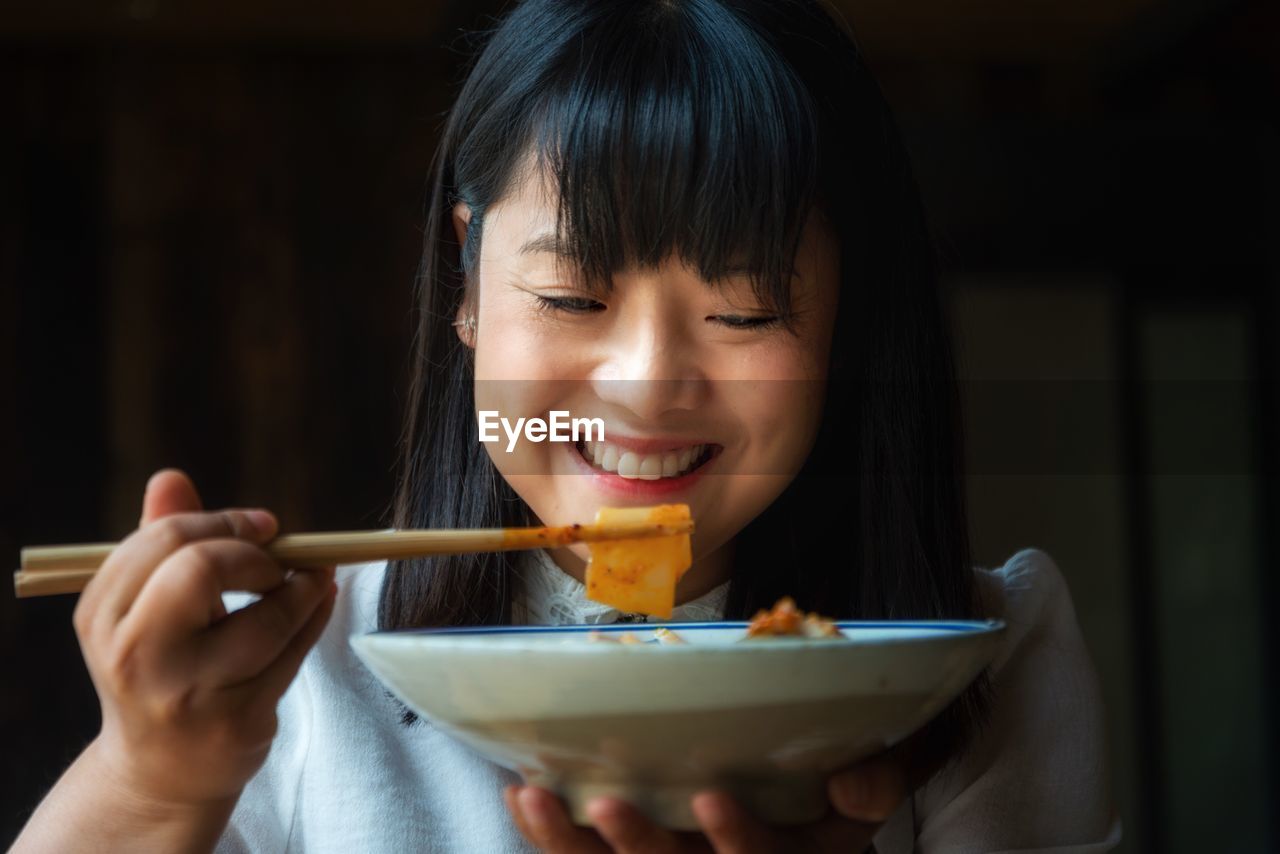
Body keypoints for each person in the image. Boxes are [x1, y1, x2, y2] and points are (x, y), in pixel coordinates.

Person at [11, 0, 1121, 851]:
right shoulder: (288, 664)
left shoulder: (983, 659)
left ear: (849, 318)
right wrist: (154, 776)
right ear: (466, 279)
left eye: (741, 310)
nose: (644, 387)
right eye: (569, 298)